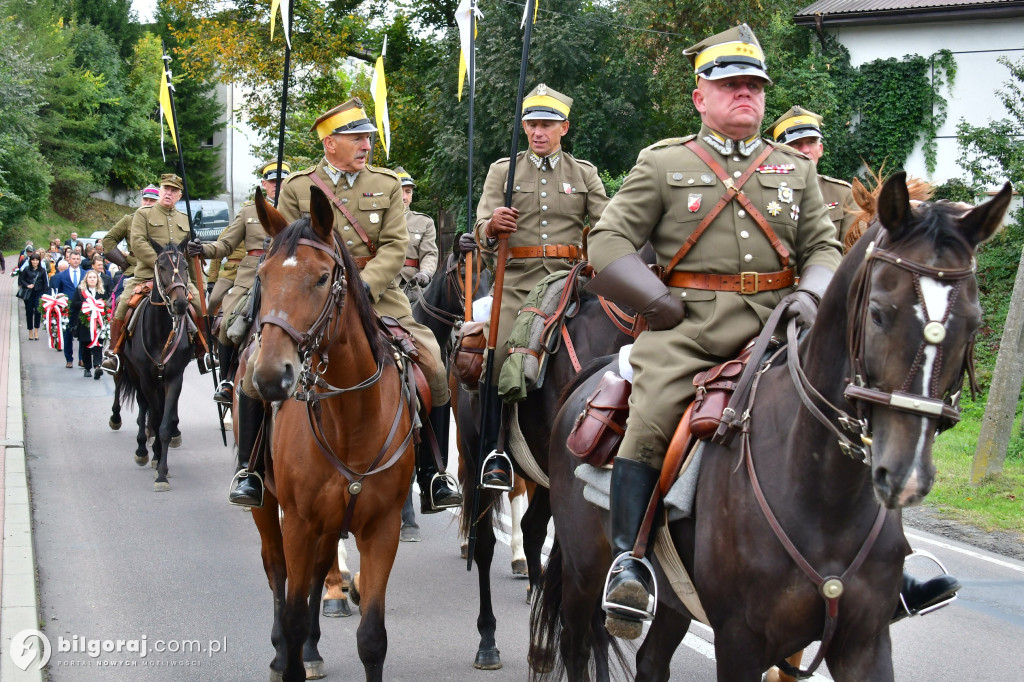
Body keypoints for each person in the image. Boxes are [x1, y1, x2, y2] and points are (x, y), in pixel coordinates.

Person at [587, 23, 959, 633]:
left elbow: (820, 246)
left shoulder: (793, 168)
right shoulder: (664, 164)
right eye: (730, 84)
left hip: (785, 327)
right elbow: (606, 242)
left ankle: (891, 564)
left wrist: (811, 297)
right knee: (652, 412)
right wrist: (658, 305)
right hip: (689, 331)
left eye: (755, 87)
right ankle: (629, 564)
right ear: (699, 95)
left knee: (856, 415)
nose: (746, 96)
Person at [236, 97, 460, 514]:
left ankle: (434, 474)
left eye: (368, 138)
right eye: (356, 138)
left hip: (377, 295)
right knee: (253, 369)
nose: (365, 145)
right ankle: (248, 470)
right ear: (330, 144)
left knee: (432, 364)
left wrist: (361, 288)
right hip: (309, 297)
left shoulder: (387, 184)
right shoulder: (299, 188)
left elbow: (395, 247)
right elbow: (282, 249)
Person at [473, 83, 610, 489]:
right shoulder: (503, 170)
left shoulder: (584, 173)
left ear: (563, 128)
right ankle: (494, 452)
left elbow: (607, 227)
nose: (538, 132)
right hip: (518, 282)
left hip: (572, 282)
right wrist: (492, 226)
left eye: (547, 125)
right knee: (495, 357)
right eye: (532, 124)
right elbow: (481, 229)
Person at [187, 160, 291, 406]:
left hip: (285, 276)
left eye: (282, 182)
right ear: (264, 185)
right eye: (273, 182)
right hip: (250, 276)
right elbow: (225, 245)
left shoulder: (296, 209)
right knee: (228, 323)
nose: (278, 186)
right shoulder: (248, 211)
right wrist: (203, 248)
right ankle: (227, 380)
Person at [101, 174, 213, 375]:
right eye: (165, 189)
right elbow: (138, 242)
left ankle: (204, 352)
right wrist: (160, 265)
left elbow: (189, 255)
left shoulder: (185, 219)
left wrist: (199, 284)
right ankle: (114, 353)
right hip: (147, 275)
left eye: (173, 191)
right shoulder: (143, 215)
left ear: (179, 195)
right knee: (124, 304)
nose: (168, 193)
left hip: (178, 279)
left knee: (200, 304)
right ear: (160, 191)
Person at [392, 166, 438, 299]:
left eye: (408, 192)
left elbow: (429, 253)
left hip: (412, 284)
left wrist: (425, 273)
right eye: (399, 191)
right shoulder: (377, 219)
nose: (404, 197)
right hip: (384, 282)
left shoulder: (424, 222)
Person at [49, 252, 89, 368]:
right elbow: (58, 291)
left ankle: (82, 358)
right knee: (67, 335)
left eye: (78, 259)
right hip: (68, 309)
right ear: (69, 260)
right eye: (73, 259)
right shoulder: (62, 275)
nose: (76, 260)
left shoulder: (85, 274)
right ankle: (69, 359)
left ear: (80, 261)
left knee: (83, 334)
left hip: (82, 308)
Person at [69, 269, 110, 379]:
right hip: (85, 323)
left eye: (94, 277)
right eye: (90, 277)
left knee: (98, 344)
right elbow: (74, 304)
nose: (92, 279)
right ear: (86, 279)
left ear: (98, 280)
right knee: (86, 346)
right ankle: (87, 368)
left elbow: (106, 304)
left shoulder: (101, 291)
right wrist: (87, 304)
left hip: (98, 323)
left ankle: (97, 367)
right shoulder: (80, 291)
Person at [19, 253, 48, 340]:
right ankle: (30, 331)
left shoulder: (42, 270)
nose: (35, 262)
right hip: (29, 293)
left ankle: (36, 331)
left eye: (37, 260)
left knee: (38, 311)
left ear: (39, 261)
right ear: (30, 261)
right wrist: (27, 285)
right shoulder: (27, 269)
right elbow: (21, 279)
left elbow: (45, 282)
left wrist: (45, 294)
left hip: (38, 292)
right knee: (29, 312)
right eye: (33, 260)